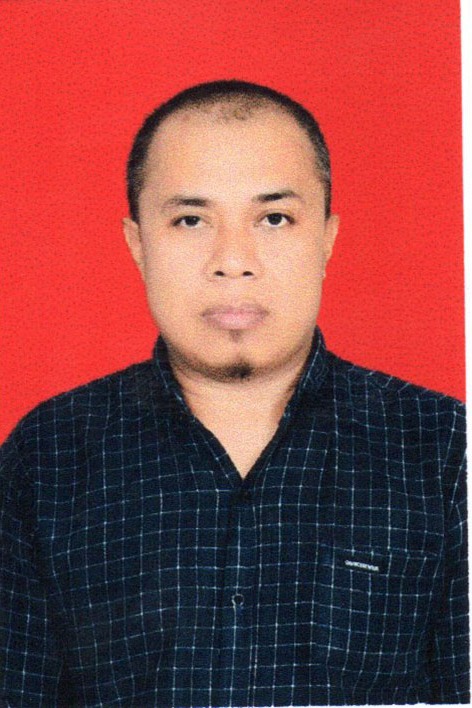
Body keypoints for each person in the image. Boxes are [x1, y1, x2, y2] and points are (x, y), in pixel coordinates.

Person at [0, 80, 468, 707]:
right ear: (138, 243)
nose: (233, 261)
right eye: (191, 220)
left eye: (274, 218)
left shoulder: (444, 451)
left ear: (326, 238)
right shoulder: (47, 458)